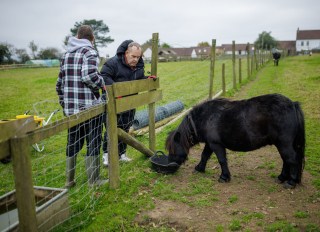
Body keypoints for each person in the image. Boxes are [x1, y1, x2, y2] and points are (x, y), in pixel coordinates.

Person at [56, 25, 107, 188]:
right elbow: (89, 75)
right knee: (93, 141)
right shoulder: (89, 52)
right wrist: (103, 85)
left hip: (72, 110)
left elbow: (59, 84)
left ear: (77, 37)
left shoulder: (66, 55)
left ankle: (69, 180)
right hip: (90, 108)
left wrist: (65, 104)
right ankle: (94, 180)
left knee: (73, 143)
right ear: (92, 38)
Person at [100, 40, 156, 166]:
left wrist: (147, 80)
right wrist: (116, 91)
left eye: (138, 57)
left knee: (126, 128)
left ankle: (122, 154)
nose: (136, 59)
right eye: (133, 56)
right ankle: (107, 155)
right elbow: (104, 77)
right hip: (113, 103)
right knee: (112, 128)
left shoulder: (139, 66)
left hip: (130, 103)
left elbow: (138, 79)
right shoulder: (112, 63)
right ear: (126, 53)